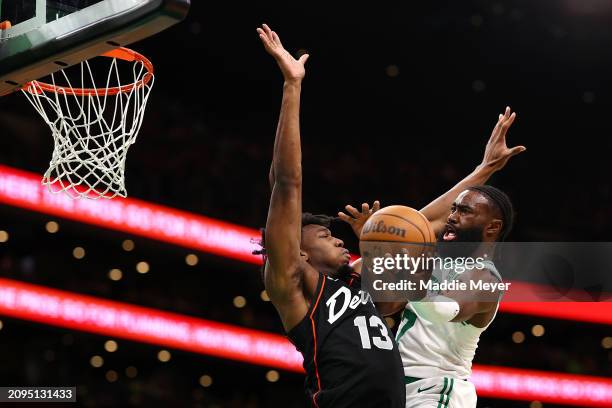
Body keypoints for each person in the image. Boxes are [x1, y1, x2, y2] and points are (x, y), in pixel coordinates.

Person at [257, 24, 405, 408]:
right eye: (323, 236)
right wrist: (293, 85)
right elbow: (287, 183)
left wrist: (482, 172)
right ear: (299, 251)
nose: (340, 239)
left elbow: (424, 227)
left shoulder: (360, 286)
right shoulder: (295, 283)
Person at [340, 108, 524, 407]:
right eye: (453, 210)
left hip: (438, 390)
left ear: (492, 227)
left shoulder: (486, 277)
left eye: (463, 212)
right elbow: (414, 226)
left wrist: (391, 255)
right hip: (403, 387)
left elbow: (442, 309)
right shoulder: (436, 260)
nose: (451, 217)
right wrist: (377, 243)